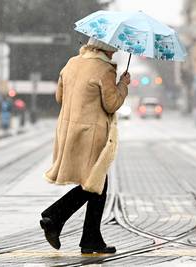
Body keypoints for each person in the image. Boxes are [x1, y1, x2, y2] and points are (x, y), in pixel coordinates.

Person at [40, 37, 130, 254]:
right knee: (95, 183)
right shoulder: (104, 70)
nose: (113, 54)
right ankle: (54, 216)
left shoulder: (72, 63)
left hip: (70, 130)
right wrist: (122, 85)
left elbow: (59, 97)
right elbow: (111, 104)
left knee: (97, 184)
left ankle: (91, 239)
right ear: (106, 49)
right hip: (92, 134)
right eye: (112, 50)